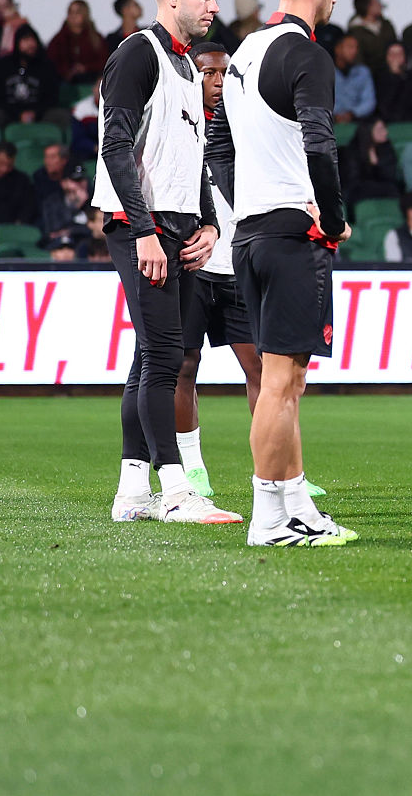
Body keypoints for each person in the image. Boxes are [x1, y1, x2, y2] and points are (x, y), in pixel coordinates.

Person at [218, 0, 356, 548]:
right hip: (289, 233)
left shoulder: (245, 50)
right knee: (279, 382)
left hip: (249, 230)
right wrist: (332, 215)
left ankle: (296, 506)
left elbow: (217, 146)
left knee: (287, 379)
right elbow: (319, 144)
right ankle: (269, 519)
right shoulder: (307, 55)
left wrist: (245, 198)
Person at [94, 0, 235, 526]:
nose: (215, 6)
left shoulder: (184, 66)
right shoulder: (138, 54)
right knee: (165, 356)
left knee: (147, 359)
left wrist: (209, 224)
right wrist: (145, 231)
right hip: (142, 227)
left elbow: (193, 160)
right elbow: (114, 146)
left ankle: (132, 491)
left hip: (178, 228)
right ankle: (176, 490)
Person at [174, 41, 266, 501]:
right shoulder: (179, 129)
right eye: (208, 74)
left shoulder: (246, 129)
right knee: (184, 367)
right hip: (194, 266)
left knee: (263, 370)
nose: (217, 83)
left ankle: (275, 464)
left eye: (224, 74)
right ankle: (192, 468)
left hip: (238, 268)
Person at [341, 114, 403, 203]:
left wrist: (376, 165)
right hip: (358, 189)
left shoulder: (387, 147)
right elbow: (352, 179)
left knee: (393, 190)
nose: (386, 132)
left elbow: (390, 175)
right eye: (380, 129)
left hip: (384, 186)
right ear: (368, 131)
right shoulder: (353, 150)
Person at [47, 0, 110, 83]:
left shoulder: (96, 39)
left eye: (77, 12)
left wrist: (86, 68)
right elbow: (51, 62)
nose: (73, 16)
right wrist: (68, 72)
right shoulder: (59, 39)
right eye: (71, 12)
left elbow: (104, 62)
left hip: (91, 83)